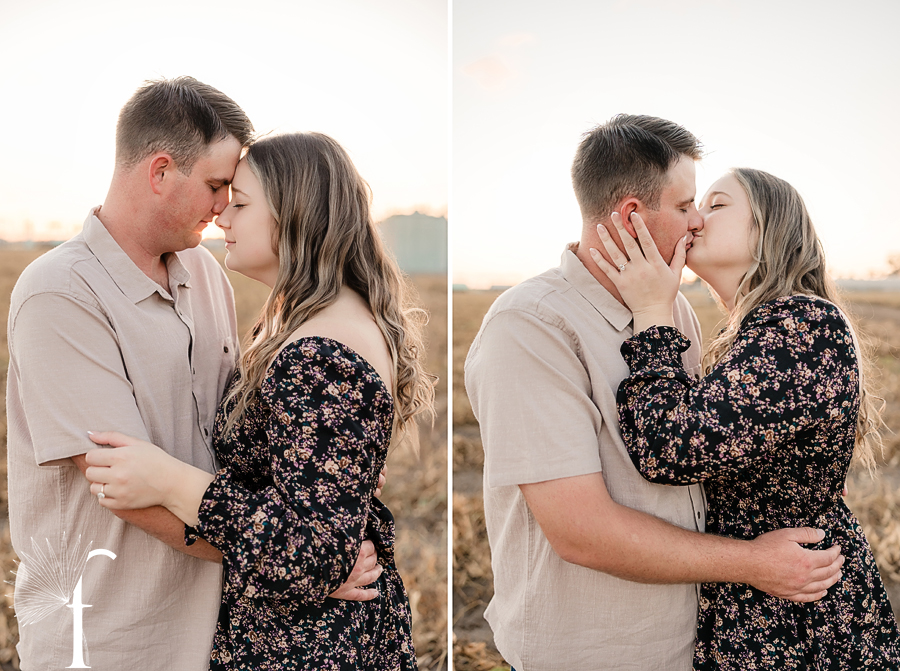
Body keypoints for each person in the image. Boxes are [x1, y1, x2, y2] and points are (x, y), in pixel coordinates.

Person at [6, 78, 379, 670]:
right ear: (160, 171)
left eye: (232, 193)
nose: (221, 206)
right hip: (109, 639)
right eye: (214, 186)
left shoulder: (205, 274)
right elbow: (122, 488)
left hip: (217, 633)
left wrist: (327, 496)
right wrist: (301, 567)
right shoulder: (60, 293)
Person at [464, 115, 845, 670]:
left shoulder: (673, 311)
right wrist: (753, 563)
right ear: (632, 217)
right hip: (595, 649)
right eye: (687, 204)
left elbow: (702, 443)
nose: (696, 221)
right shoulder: (530, 326)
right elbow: (582, 532)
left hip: (699, 637)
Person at [82, 131, 435, 670]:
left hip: (305, 649)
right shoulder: (316, 321)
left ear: (296, 216)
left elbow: (313, 555)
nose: (221, 216)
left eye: (241, 204)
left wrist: (168, 480)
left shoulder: (320, 351)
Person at [589, 167, 900, 668]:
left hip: (797, 605)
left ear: (768, 227)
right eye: (694, 206)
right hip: (760, 590)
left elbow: (671, 449)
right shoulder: (752, 332)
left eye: (716, 205)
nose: (694, 219)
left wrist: (650, 315)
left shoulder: (804, 325)